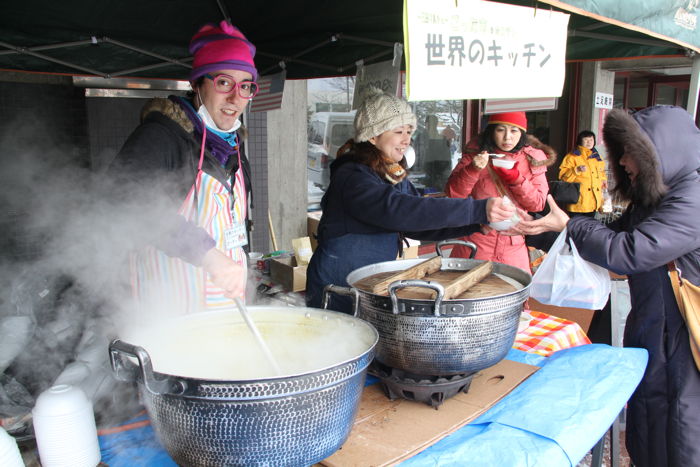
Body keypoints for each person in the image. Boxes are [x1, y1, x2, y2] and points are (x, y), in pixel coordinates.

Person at [517, 106, 700, 467]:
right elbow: (613, 237)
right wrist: (547, 229)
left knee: (680, 430)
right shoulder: (663, 193)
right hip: (654, 327)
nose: (624, 162)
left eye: (630, 152)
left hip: (682, 335)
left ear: (657, 153)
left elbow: (628, 252)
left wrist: (570, 224)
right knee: (649, 423)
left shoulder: (692, 198)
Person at [305, 87, 516, 314]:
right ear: (373, 135)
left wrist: (475, 224)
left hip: (369, 280)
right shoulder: (352, 175)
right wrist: (477, 209)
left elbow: (416, 223)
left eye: (409, 131)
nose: (406, 140)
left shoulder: (391, 173)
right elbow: (400, 211)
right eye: (398, 131)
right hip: (338, 283)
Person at [108, 20, 257, 314]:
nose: (235, 98)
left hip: (227, 311)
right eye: (224, 82)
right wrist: (206, 254)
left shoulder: (234, 150)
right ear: (198, 85)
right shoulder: (162, 137)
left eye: (245, 86)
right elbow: (122, 202)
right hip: (171, 315)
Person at [444, 112, 555, 272]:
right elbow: (453, 195)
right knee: (469, 292)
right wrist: (473, 169)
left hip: (514, 241)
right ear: (492, 131)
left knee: (513, 291)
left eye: (514, 131)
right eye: (501, 130)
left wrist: (517, 179)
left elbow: (538, 204)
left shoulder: (533, 158)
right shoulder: (476, 154)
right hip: (476, 240)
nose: (507, 138)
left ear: (522, 132)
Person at [558, 130, 608, 217]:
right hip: (578, 202)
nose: (589, 142)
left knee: (589, 228)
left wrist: (604, 180)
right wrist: (576, 170)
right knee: (576, 228)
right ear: (580, 141)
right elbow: (563, 178)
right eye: (586, 140)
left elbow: (602, 173)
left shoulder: (597, 158)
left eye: (591, 140)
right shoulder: (572, 157)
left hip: (593, 203)